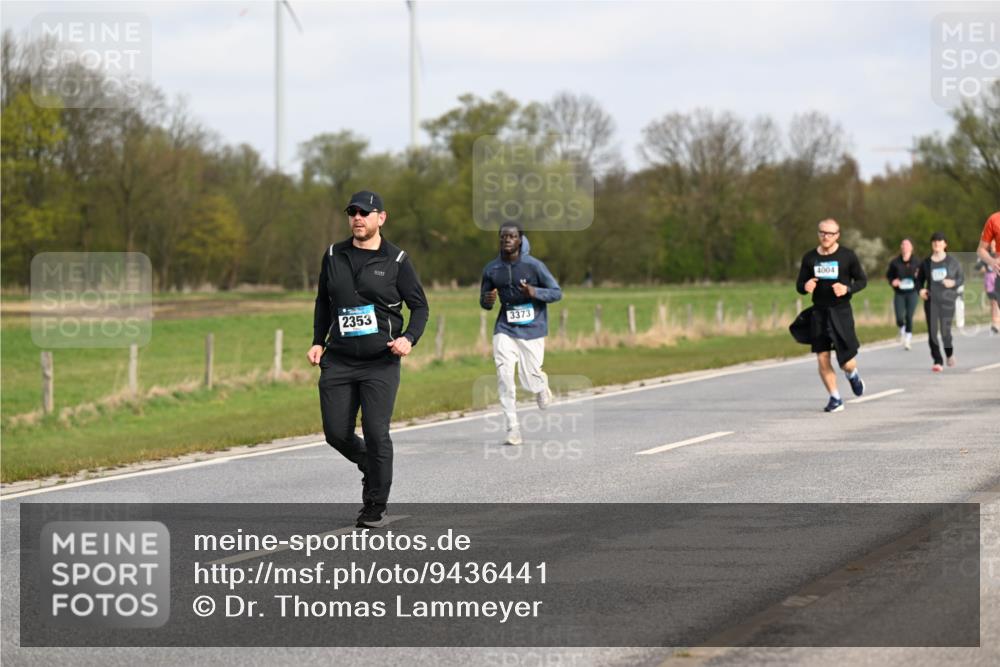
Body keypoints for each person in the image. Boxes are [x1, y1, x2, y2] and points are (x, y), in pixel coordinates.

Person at [307, 191, 429, 528]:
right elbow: (323, 302)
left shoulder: (398, 260)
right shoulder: (333, 255)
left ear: (381, 218)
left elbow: (419, 307)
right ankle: (371, 466)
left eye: (365, 212)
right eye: (352, 212)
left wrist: (408, 338)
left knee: (377, 433)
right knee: (336, 433)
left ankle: (375, 504)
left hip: (380, 361)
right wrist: (318, 341)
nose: (358, 218)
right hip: (339, 359)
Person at [479, 222, 562, 445]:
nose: (507, 240)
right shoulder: (491, 269)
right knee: (504, 375)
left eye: (512, 236)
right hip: (505, 328)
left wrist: (534, 292)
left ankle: (540, 385)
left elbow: (556, 293)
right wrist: (487, 301)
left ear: (520, 240)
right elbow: (484, 301)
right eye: (503, 236)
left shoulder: (534, 266)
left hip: (533, 329)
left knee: (530, 378)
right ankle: (512, 428)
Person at [794, 218, 867, 413]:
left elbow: (862, 280)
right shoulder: (810, 258)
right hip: (819, 312)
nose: (825, 236)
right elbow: (800, 285)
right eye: (822, 233)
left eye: (830, 233)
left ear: (837, 236)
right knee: (822, 357)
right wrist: (805, 286)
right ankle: (835, 398)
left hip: (841, 312)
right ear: (818, 234)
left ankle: (853, 375)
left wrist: (847, 288)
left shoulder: (847, 256)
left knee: (846, 362)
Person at [918, 231, 965, 372]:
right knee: (932, 332)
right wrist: (920, 290)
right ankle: (937, 360)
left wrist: (953, 283)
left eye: (939, 241)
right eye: (934, 242)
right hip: (931, 300)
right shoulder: (926, 263)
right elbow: (918, 281)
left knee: (946, 332)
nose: (936, 244)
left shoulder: (952, 262)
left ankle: (949, 354)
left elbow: (961, 278)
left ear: (945, 244)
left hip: (947, 300)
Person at [885, 238, 921, 350]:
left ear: (911, 248)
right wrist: (893, 281)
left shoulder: (917, 262)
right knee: (899, 317)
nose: (905, 247)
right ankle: (902, 328)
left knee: (909, 316)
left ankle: (908, 339)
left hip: (912, 292)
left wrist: (918, 277)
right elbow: (889, 276)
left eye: (907, 245)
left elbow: (923, 276)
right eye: (903, 245)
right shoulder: (895, 262)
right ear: (901, 248)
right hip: (900, 293)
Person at [975, 241, 999, 334]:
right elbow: (977, 266)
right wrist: (984, 269)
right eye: (991, 243)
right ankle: (995, 323)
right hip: (989, 280)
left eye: (994, 243)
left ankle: (997, 322)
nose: (993, 245)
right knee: (993, 303)